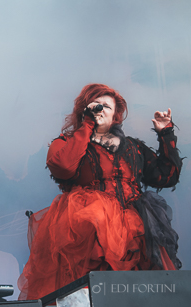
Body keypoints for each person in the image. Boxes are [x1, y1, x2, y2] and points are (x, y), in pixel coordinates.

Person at [18, 83, 183, 300]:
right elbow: (63, 167)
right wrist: (87, 124)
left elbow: (167, 176)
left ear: (115, 115)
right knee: (89, 291)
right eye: (96, 105)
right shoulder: (66, 143)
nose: (101, 109)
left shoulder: (133, 146)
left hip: (135, 230)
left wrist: (166, 133)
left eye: (107, 106)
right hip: (88, 230)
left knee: (136, 293)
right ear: (84, 109)